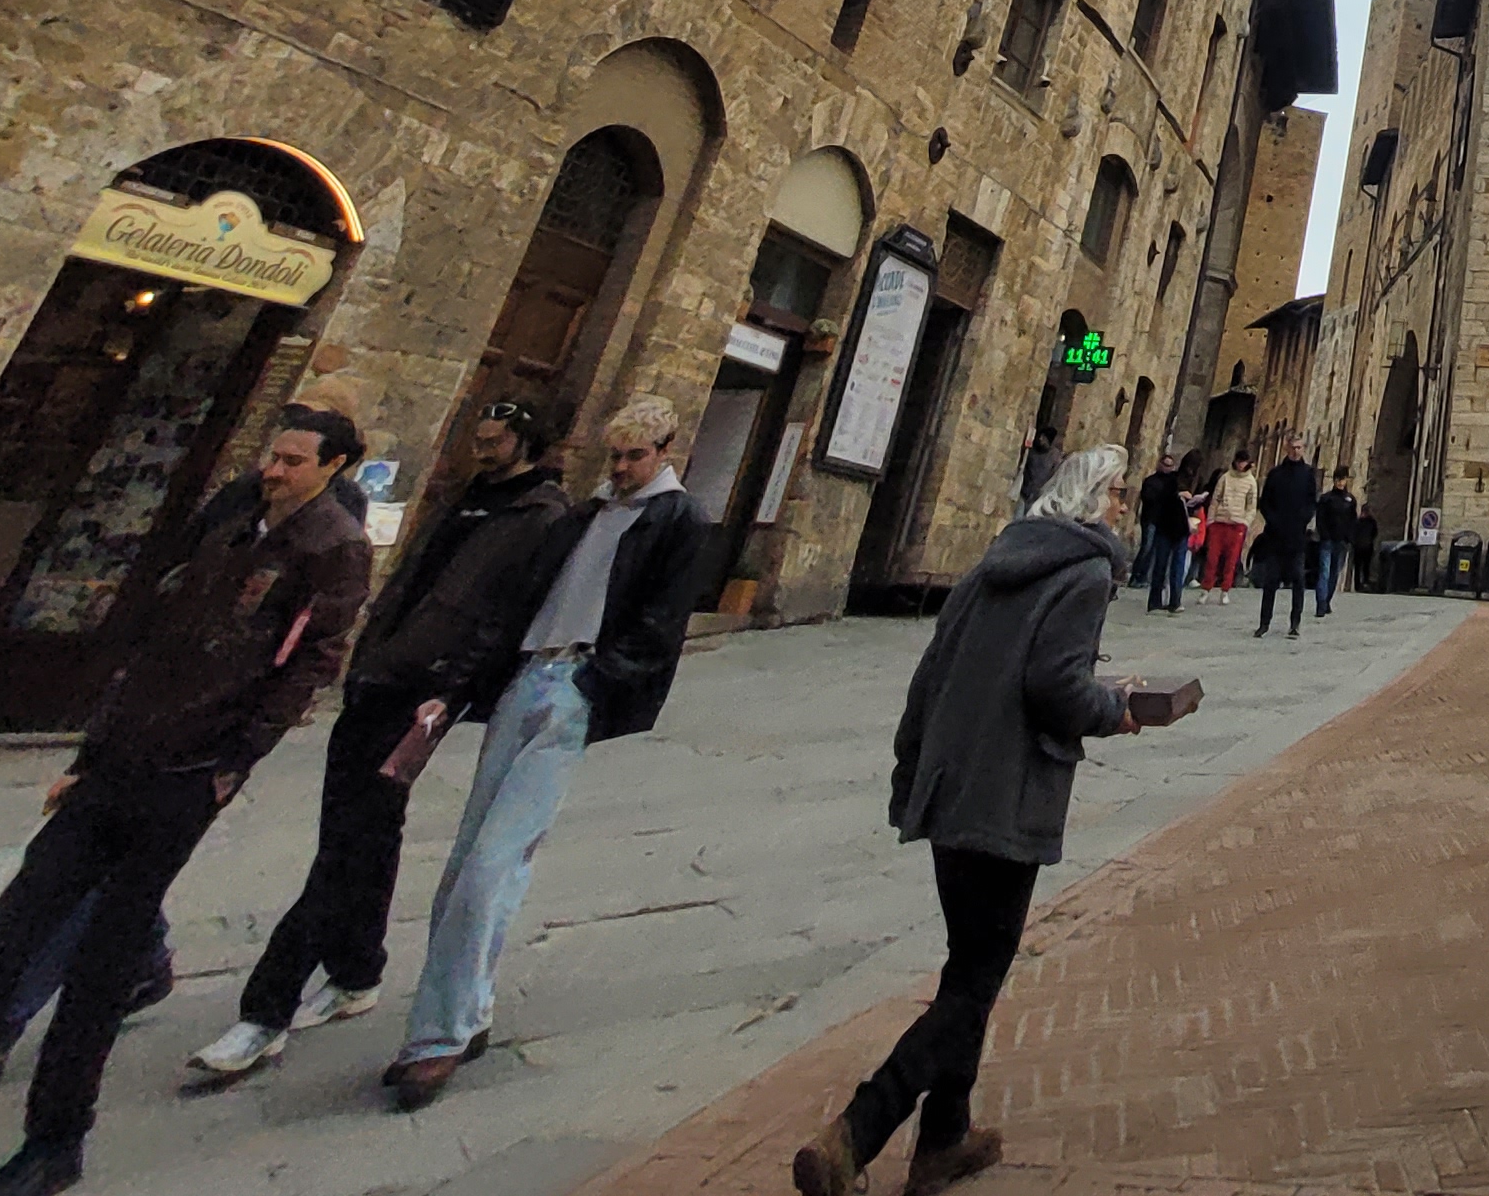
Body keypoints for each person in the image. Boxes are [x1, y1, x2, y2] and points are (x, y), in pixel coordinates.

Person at [0, 406, 373, 1196]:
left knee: (100, 971)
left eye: (293, 460)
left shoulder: (334, 546)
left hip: (187, 774)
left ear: (332, 466)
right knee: (2, 946)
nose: (273, 470)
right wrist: (88, 753)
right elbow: (158, 640)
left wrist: (233, 762)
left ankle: (54, 1143)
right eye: (273, 455)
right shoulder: (234, 520)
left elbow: (311, 663)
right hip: (119, 761)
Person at [189, 399, 580, 1087]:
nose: (481, 449)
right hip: (381, 672)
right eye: (479, 438)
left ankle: (265, 1012)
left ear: (527, 442)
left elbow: (506, 615)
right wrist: (371, 653)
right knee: (363, 830)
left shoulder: (543, 516)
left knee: (348, 843)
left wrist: (454, 690)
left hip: (425, 691)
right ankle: (357, 970)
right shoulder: (467, 496)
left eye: (494, 441)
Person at [794, 444, 1149, 1196]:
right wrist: (1114, 708)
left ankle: (944, 1140)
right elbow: (1056, 687)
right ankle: (855, 1132)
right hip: (1007, 796)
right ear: (1094, 500)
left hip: (951, 786)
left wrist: (911, 772)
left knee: (968, 966)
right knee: (974, 984)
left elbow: (930, 674)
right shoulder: (1087, 572)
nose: (1124, 507)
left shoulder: (996, 561)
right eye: (1119, 492)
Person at [382, 396, 712, 1107]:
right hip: (523, 679)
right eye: (615, 456)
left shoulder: (680, 519)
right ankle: (463, 1014)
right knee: (468, 862)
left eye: (636, 456)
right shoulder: (583, 515)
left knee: (492, 863)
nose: (622, 468)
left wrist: (596, 683)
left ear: (666, 450)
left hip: (574, 686)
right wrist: (460, 687)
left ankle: (438, 1039)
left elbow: (662, 625)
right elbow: (516, 607)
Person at [1252, 435, 1318, 640]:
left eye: (1299, 447)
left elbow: (1311, 502)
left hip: (1297, 537)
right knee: (1271, 581)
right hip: (1275, 536)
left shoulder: (1308, 474)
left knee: (1298, 580)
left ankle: (1295, 623)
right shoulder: (1276, 474)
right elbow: (1265, 502)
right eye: (1293, 448)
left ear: (1303, 449)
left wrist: (1303, 519)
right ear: (1286, 449)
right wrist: (1273, 520)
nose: (1296, 451)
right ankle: (1264, 623)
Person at [1132, 457, 1190, 613]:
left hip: (1179, 529)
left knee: (1175, 567)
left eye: (1170, 466)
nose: (1168, 468)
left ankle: (1174, 601)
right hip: (1161, 525)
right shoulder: (1153, 482)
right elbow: (1151, 499)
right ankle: (1151, 595)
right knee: (1158, 562)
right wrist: (1175, 495)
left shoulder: (1178, 481)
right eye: (1165, 465)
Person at [1201, 453, 1259, 595]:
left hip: (1237, 523)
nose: (1241, 465)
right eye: (1239, 462)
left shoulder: (1251, 482)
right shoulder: (1225, 478)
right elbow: (1215, 499)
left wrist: (1245, 522)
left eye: (1243, 462)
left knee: (1231, 559)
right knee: (1212, 557)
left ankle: (1225, 588)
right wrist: (1211, 520)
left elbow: (1251, 505)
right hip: (1220, 521)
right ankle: (1206, 587)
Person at [1311, 470, 1357, 615]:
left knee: (1334, 573)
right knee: (1324, 572)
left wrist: (1349, 538)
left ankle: (1327, 601)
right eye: (1338, 479)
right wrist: (1324, 534)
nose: (1340, 482)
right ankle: (1321, 603)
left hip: (1341, 541)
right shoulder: (1326, 498)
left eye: (1342, 479)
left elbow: (1353, 520)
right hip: (1327, 540)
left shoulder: (1350, 500)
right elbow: (1320, 518)